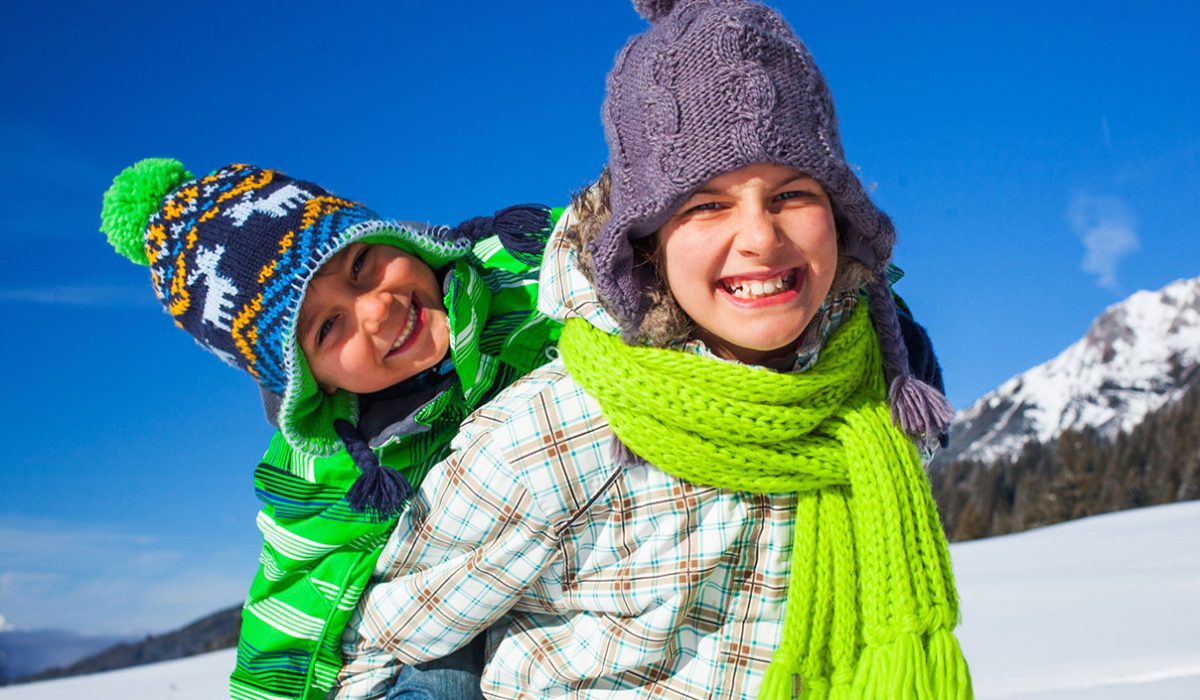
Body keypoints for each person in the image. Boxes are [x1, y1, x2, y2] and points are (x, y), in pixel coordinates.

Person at [335, 0, 973, 697]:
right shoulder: (555, 435)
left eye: (791, 194)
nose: (761, 238)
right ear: (645, 247)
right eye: (706, 205)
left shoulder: (880, 392)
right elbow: (394, 645)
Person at [99, 159, 562, 700]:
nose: (377, 309)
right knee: (438, 676)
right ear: (306, 381)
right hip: (448, 618)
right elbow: (290, 605)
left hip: (584, 554)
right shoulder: (325, 470)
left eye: (361, 265)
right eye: (327, 327)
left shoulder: (520, 266)